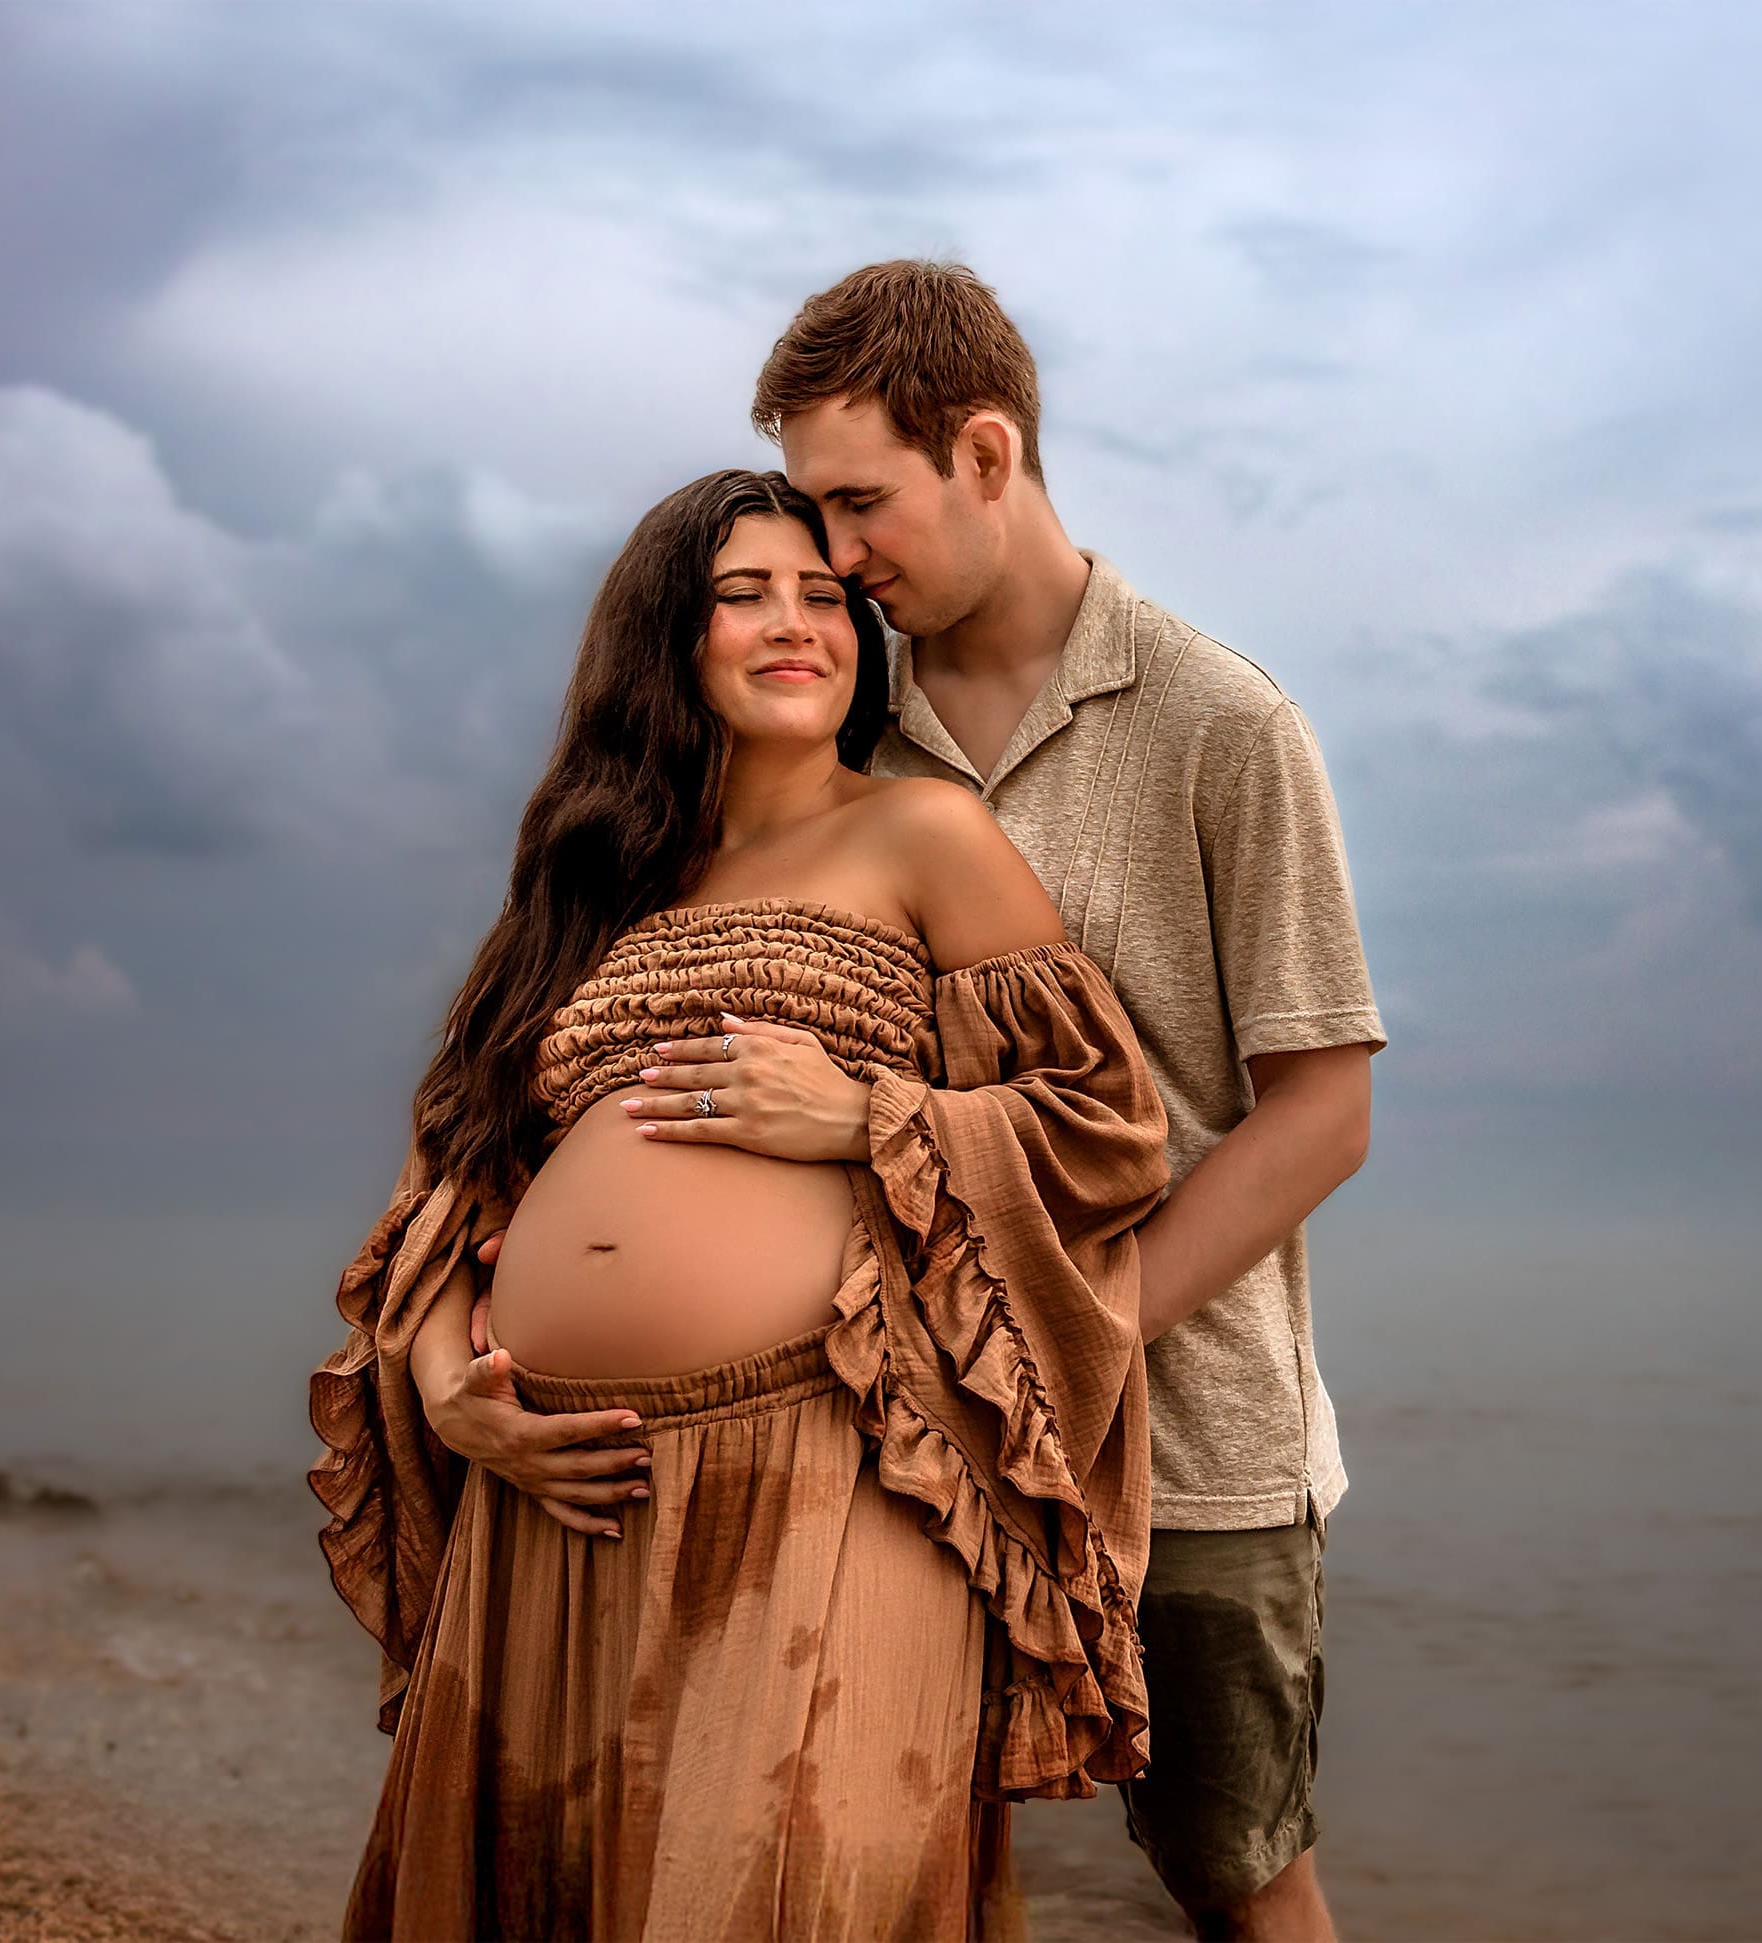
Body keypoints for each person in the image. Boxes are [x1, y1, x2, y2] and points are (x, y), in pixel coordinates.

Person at [308, 467, 1172, 1940]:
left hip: (830, 1462)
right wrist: (452, 1389)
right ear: (670, 641)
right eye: (745, 595)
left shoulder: (924, 837)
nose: (798, 627)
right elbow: (459, 1176)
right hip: (555, 1488)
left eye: (826, 597)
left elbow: (1108, 1128)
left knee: (791, 1892)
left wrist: (862, 1116)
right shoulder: (596, 888)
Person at [750, 261, 1388, 1943]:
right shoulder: (851, 729)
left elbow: (1322, 1111)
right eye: (812, 511)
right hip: (912, 1422)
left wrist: (1079, 1338)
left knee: (1236, 1879)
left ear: (985, 449)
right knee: (918, 1865)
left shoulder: (1223, 721)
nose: (831, 556)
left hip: (1198, 1446)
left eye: (859, 501)